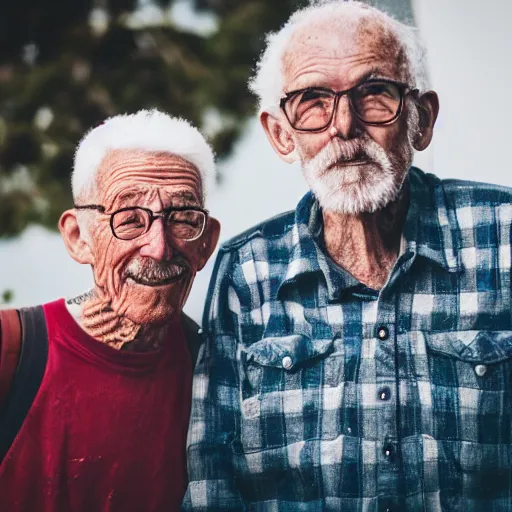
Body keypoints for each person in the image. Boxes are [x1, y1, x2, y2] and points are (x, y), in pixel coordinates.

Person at [183, 1, 512, 510]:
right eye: (313, 101)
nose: (343, 125)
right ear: (281, 134)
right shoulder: (247, 272)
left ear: (421, 120)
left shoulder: (503, 235)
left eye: (374, 93)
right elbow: (212, 479)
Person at [0, 109, 220, 512]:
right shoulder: (11, 349)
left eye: (183, 219)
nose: (159, 246)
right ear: (77, 237)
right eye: (129, 219)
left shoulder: (215, 370)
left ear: (206, 242)